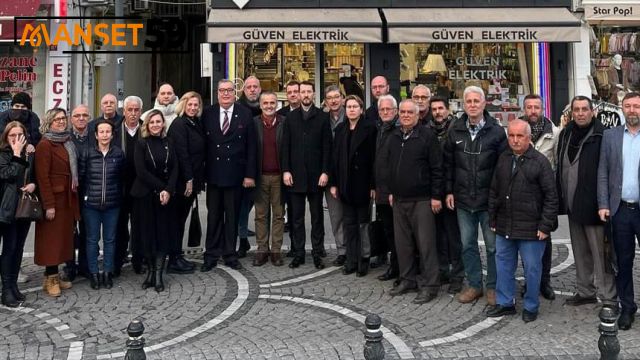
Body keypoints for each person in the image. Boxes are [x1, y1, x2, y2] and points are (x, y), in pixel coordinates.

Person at [487, 119, 558, 323]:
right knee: (504, 267)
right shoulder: (503, 158)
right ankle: (505, 303)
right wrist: (493, 218)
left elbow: (551, 197)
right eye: (512, 135)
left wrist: (545, 226)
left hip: (532, 229)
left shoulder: (540, 162)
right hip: (504, 225)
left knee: (532, 270)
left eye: (520, 136)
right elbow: (494, 191)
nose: (515, 140)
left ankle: (531, 306)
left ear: (528, 138)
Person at [443, 86, 507, 306]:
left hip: (488, 201)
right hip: (463, 199)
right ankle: (474, 285)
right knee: (467, 244)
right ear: (464, 104)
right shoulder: (455, 129)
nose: (472, 105)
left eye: (476, 101)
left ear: (484, 103)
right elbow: (448, 164)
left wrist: (499, 197)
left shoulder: (496, 131)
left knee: (492, 247)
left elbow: (502, 168)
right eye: (468, 101)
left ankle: (493, 286)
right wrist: (449, 191)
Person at [557, 95, 617, 307]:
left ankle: (609, 297)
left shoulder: (603, 135)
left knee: (601, 255)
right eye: (577, 109)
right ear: (571, 113)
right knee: (580, 251)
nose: (581, 113)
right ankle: (585, 291)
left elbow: (610, 171)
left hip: (594, 204)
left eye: (584, 109)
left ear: (593, 112)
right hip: (572, 204)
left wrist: (605, 202)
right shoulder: (565, 134)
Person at [384, 99, 444, 304]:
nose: (406, 115)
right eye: (403, 112)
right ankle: (407, 279)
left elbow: (437, 168)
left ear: (418, 115)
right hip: (399, 199)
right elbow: (390, 166)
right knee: (403, 245)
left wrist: (436, 196)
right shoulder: (394, 136)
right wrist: (392, 191)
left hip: (423, 199)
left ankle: (430, 285)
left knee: (426, 245)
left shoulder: (427, 136)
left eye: (410, 112)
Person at [201, 79, 256, 272]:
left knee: (232, 217)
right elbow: (203, 146)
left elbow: (251, 147)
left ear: (235, 93)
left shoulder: (245, 114)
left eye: (229, 91)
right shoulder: (207, 113)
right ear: (217, 93)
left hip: (236, 175)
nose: (225, 94)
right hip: (214, 175)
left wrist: (250, 175)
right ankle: (211, 254)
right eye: (222, 91)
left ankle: (230, 254)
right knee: (214, 216)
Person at [597, 92, 640, 330]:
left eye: (636, 106)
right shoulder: (611, 136)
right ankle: (627, 307)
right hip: (620, 210)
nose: (632, 110)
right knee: (623, 262)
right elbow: (603, 171)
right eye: (628, 106)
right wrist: (603, 203)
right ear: (622, 109)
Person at [282, 81, 331, 269]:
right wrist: (286, 170)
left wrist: (325, 172)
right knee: (296, 217)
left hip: (316, 176)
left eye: (309, 91)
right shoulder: (291, 118)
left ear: (314, 94)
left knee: (317, 216)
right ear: (299, 95)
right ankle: (298, 252)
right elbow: (285, 147)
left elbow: (327, 147)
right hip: (295, 175)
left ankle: (318, 253)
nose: (306, 95)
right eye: (303, 92)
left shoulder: (322, 117)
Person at [130, 110, 179, 292]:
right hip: (145, 196)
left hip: (165, 198)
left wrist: (168, 189)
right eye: (152, 122)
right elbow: (141, 171)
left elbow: (175, 168)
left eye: (158, 122)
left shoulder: (169, 142)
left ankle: (158, 274)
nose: (156, 125)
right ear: (147, 125)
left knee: (162, 235)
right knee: (147, 236)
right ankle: (150, 272)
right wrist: (161, 188)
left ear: (163, 124)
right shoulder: (141, 144)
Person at [34, 108, 80, 297]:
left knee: (61, 240)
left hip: (67, 199)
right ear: (49, 122)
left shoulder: (67, 141)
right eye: (57, 119)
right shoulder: (45, 144)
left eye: (63, 118)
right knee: (51, 241)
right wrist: (49, 204)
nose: (61, 122)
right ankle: (51, 278)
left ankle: (51, 275)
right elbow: (42, 177)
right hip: (54, 199)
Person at [519, 94, 561, 300]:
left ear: (542, 109)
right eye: (529, 107)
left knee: (545, 240)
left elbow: (558, 164)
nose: (533, 111)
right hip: (522, 195)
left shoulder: (554, 133)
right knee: (524, 242)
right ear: (524, 109)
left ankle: (544, 282)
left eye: (536, 107)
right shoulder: (516, 131)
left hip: (545, 196)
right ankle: (529, 281)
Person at [330, 95, 376, 277]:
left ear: (361, 109)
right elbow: (335, 158)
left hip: (363, 184)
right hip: (345, 184)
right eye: (348, 106)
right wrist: (334, 183)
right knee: (349, 224)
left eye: (355, 106)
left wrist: (374, 184)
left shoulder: (370, 128)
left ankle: (364, 259)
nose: (351, 109)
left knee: (363, 224)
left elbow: (375, 159)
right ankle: (351, 259)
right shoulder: (341, 129)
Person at [78, 119, 125, 290]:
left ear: (112, 135)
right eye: (102, 132)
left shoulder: (118, 154)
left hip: (112, 204)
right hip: (91, 205)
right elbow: (82, 178)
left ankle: (107, 271)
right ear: (96, 135)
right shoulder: (88, 153)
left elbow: (122, 178)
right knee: (92, 240)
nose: (105, 135)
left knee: (110, 240)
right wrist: (85, 198)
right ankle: (94, 273)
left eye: (108, 132)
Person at [427, 96, 464, 294]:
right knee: (438, 235)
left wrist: (450, 190)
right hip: (434, 191)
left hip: (452, 191)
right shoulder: (427, 130)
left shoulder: (456, 130)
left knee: (453, 235)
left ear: (448, 109)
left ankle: (458, 274)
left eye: (441, 108)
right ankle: (443, 271)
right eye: (434, 109)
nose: (438, 112)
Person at [166, 91, 205, 274]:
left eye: (196, 105)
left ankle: (177, 255)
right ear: (183, 105)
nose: (193, 107)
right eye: (190, 104)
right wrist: (189, 179)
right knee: (176, 221)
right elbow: (182, 154)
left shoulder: (195, 123)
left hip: (192, 180)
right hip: (182, 182)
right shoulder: (179, 124)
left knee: (180, 220)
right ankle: (174, 259)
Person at [0, 122, 37, 307]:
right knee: (9, 247)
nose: (16, 138)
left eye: (20, 134)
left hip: (23, 207)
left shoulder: (29, 153)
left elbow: (33, 176)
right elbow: (9, 174)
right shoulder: (4, 155)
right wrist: (15, 153)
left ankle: (13, 286)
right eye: (12, 135)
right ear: (6, 137)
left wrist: (32, 185)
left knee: (19, 247)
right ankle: (6, 290)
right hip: (7, 209)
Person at [252, 91, 286, 266]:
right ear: (260, 105)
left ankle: (276, 251)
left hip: (279, 177)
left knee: (279, 215)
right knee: (260, 215)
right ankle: (261, 249)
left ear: (277, 104)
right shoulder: (254, 124)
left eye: (272, 103)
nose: (269, 106)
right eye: (265, 103)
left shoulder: (284, 123)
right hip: (260, 176)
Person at [113, 96, 145, 275]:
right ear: (123, 111)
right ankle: (117, 262)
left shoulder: (146, 129)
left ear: (140, 111)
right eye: (129, 110)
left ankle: (139, 262)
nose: (133, 114)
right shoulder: (115, 131)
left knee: (139, 226)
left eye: (136, 110)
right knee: (119, 227)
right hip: (120, 187)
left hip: (140, 187)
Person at [374, 95, 399, 283]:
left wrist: (393, 190)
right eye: (382, 109)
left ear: (395, 111)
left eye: (388, 109)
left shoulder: (398, 130)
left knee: (399, 233)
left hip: (394, 192)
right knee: (388, 230)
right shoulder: (380, 129)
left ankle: (399, 268)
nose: (385, 112)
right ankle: (394, 265)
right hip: (381, 190)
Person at [66, 104, 92, 280]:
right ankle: (69, 266)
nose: (81, 118)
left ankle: (85, 264)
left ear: (89, 117)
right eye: (77, 115)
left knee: (88, 230)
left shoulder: (95, 135)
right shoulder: (66, 138)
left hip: (90, 189)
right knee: (69, 230)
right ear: (71, 119)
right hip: (70, 190)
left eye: (84, 115)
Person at [237, 76, 262, 257]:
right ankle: (242, 238)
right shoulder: (239, 110)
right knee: (243, 204)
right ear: (243, 90)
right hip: (245, 166)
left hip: (265, 165)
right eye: (249, 87)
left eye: (255, 87)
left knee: (256, 203)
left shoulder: (265, 107)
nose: (252, 90)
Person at [324, 85, 346, 267]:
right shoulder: (324, 120)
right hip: (332, 176)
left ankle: (358, 251)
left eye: (336, 96)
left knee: (354, 217)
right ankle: (342, 251)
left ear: (342, 98)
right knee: (336, 216)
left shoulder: (352, 116)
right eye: (330, 97)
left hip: (351, 176)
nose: (333, 100)